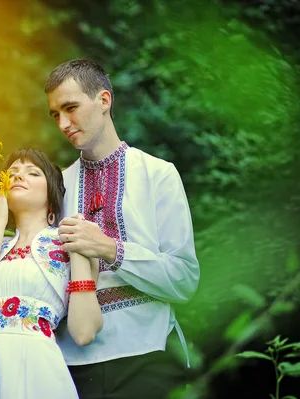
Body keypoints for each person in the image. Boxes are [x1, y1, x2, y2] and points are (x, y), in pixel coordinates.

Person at [45, 58, 200, 399]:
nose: (63, 123)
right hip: (71, 363)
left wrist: (108, 248)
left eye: (71, 108)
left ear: (104, 100)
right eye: (56, 114)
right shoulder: (58, 187)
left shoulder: (158, 174)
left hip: (148, 354)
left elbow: (184, 280)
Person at [0, 149, 104, 399]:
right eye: (11, 173)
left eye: (33, 172)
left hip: (38, 366)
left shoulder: (70, 240)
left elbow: (84, 332)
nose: (18, 177)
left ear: (52, 196)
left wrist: (78, 253)